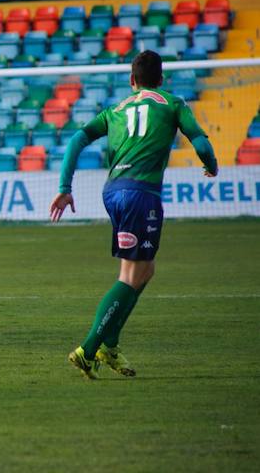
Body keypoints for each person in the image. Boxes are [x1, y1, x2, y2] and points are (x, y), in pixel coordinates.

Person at [50, 50, 218, 380]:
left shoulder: (116, 109)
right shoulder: (172, 103)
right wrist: (210, 165)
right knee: (130, 275)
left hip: (113, 192)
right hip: (142, 194)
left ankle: (109, 345)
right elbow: (199, 141)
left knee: (143, 270)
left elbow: (76, 139)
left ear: (132, 80)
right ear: (162, 79)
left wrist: (64, 186)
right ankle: (89, 348)